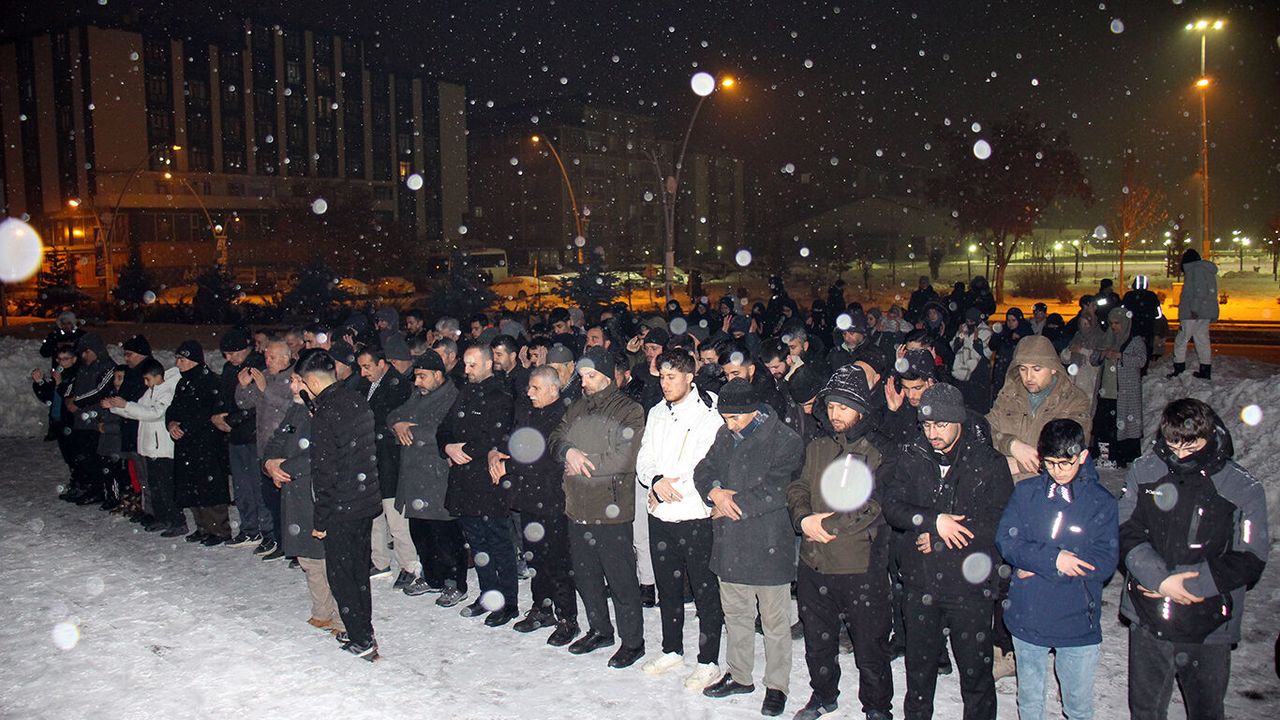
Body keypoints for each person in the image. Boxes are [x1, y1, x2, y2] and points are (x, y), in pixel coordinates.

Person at [1119, 398, 1269, 720]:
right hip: (1149, 615)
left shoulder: (1242, 487)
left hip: (1208, 623)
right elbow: (1126, 530)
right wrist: (1158, 578)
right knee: (1145, 711)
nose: (1179, 455)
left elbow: (1251, 556)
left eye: (1190, 447)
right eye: (1172, 445)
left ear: (1210, 436)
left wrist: (1187, 585)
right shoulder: (1145, 471)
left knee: (1206, 711)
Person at [881, 383, 1013, 720]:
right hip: (920, 583)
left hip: (969, 586)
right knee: (919, 674)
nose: (932, 433)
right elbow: (893, 506)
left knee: (975, 677)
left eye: (940, 424)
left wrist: (937, 537)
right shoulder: (913, 455)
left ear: (959, 422)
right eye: (926, 425)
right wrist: (931, 521)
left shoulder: (987, 463)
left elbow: (998, 522)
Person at [788, 365, 894, 720]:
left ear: (861, 410)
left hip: (858, 564)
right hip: (814, 560)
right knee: (818, 640)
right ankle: (823, 694)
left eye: (843, 407)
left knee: (870, 644)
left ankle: (877, 706)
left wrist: (827, 525)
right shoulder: (816, 446)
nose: (835, 414)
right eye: (831, 406)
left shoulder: (877, 450)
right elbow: (798, 486)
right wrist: (803, 518)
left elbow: (873, 504)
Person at [695, 379, 804, 718]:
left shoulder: (786, 439)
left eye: (736, 418)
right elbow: (704, 469)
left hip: (769, 542)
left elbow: (778, 489)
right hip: (730, 543)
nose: (730, 425)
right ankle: (740, 675)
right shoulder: (725, 434)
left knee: (774, 622)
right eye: (725, 418)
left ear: (754, 411)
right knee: (736, 615)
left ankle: (777, 686)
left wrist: (730, 503)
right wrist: (714, 492)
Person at [996, 419, 1118, 720]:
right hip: (1029, 613)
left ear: (1083, 457)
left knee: (1077, 705)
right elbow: (1007, 541)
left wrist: (1039, 566)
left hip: (1077, 619)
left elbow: (1103, 562)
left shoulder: (1100, 502)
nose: (1057, 471)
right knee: (1030, 700)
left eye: (1065, 464)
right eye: (1049, 463)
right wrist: (1054, 560)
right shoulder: (1026, 493)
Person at [550, 347, 647, 668]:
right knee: (586, 575)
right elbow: (555, 437)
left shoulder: (629, 409)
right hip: (576, 504)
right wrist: (567, 451)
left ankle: (633, 641)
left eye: (591, 376)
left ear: (607, 376)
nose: (585, 382)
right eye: (582, 376)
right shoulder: (576, 407)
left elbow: (625, 456)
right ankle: (600, 629)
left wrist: (581, 462)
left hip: (611, 506)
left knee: (620, 578)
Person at [633, 349, 725, 688]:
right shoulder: (657, 412)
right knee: (667, 587)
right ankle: (672, 649)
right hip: (660, 512)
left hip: (695, 514)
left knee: (704, 589)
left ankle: (709, 659)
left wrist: (673, 485)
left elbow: (705, 461)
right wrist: (655, 480)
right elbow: (645, 454)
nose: (665, 383)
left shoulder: (709, 414)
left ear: (689, 376)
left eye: (671, 377)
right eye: (661, 377)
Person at [297, 350, 383, 660]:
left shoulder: (326, 413)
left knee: (343, 574)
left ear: (310, 381)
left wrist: (320, 520)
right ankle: (363, 627)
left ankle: (361, 638)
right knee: (358, 570)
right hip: (363, 500)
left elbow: (325, 471)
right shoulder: (354, 399)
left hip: (341, 506)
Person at [490, 365, 578, 644]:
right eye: (528, 387)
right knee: (534, 558)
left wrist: (508, 466)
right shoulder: (527, 411)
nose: (529, 392)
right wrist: (497, 452)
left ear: (554, 389)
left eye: (535, 388)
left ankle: (568, 618)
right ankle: (542, 607)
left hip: (552, 500)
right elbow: (515, 440)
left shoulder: (562, 416)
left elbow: (543, 457)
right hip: (528, 498)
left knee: (557, 561)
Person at [261, 360, 343, 636]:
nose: (292, 385)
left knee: (329, 559)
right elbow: (275, 440)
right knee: (309, 559)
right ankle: (322, 611)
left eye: (297, 380)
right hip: (295, 492)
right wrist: (270, 464)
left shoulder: (324, 411)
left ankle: (344, 618)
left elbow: (320, 453)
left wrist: (284, 467)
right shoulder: (297, 410)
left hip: (316, 492)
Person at [389, 351, 469, 607]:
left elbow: (441, 431)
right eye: (416, 377)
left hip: (436, 476)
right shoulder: (417, 395)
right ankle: (433, 577)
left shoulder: (452, 396)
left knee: (445, 533)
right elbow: (392, 416)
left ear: (438, 375)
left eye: (422, 376)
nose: (418, 382)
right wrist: (398, 426)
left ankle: (455, 583)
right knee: (421, 532)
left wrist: (409, 428)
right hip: (414, 477)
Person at [987, 335, 1092, 483]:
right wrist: (1011, 445)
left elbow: (1069, 448)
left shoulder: (1074, 400)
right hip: (1005, 487)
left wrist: (1020, 465)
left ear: (1053, 369)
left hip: (1049, 488)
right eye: (1023, 369)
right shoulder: (1009, 395)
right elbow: (984, 430)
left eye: (1037, 369)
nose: (1028, 377)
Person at [356, 346, 416, 585]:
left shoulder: (398, 386)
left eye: (367, 367)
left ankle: (409, 566)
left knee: (397, 518)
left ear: (382, 363)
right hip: (373, 461)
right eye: (360, 367)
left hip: (391, 460)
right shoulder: (367, 385)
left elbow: (388, 420)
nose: (363, 373)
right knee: (375, 514)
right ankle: (380, 561)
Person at [166, 341, 232, 546]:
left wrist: (185, 426)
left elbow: (207, 412)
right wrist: (171, 424)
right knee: (192, 486)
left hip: (206, 443)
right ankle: (202, 527)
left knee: (209, 487)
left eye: (182, 359)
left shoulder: (210, 381)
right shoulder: (183, 382)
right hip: (187, 443)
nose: (178, 364)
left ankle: (219, 529)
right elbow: (173, 407)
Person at [106, 358, 182, 535]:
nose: (145, 383)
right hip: (150, 448)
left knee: (166, 487)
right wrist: (115, 407)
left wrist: (125, 405)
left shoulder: (167, 392)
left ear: (157, 376)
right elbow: (137, 410)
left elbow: (154, 413)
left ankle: (176, 521)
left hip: (162, 448)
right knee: (154, 485)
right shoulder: (150, 392)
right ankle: (162, 517)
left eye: (148, 379)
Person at [234, 339, 294, 559]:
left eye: (271, 357)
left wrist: (265, 390)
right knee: (270, 500)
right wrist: (242, 386)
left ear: (285, 358)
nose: (266, 361)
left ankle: (293, 546)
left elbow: (290, 407)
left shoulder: (293, 378)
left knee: (289, 502)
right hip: (265, 448)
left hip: (287, 449)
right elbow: (245, 403)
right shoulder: (266, 377)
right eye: (266, 356)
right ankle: (280, 542)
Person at [216, 329, 269, 553]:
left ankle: (267, 530)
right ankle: (249, 527)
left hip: (254, 434)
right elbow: (223, 397)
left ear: (244, 349)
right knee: (241, 486)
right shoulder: (229, 369)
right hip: (236, 435)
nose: (229, 359)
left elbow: (258, 403)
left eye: (232, 353)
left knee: (258, 485)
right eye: (226, 354)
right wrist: (218, 415)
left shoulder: (257, 366)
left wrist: (232, 419)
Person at [1093, 307, 1145, 468]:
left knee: (1123, 427)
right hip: (1106, 391)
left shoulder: (1135, 341)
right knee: (1105, 426)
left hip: (1124, 393)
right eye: (1111, 323)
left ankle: (1123, 456)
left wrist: (1121, 357)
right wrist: (1102, 355)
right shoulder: (1108, 338)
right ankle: (1106, 455)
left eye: (1117, 323)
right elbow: (1094, 358)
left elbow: (1141, 360)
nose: (1114, 327)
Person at [1169, 248, 1218, 380]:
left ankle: (1179, 368)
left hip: (1192, 313)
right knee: (1202, 340)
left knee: (1181, 339)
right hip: (1204, 312)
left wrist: (1194, 309)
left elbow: (1199, 291)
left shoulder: (1195, 270)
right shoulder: (1206, 270)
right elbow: (1207, 291)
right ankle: (1205, 369)